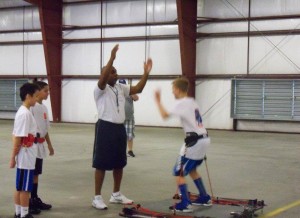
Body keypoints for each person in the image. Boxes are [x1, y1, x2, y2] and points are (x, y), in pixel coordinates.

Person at [92, 44, 153, 210]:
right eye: (112, 71)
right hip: (105, 127)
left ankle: (116, 194)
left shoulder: (121, 87)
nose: (116, 74)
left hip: (119, 128)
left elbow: (138, 88)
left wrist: (146, 74)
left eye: (116, 71)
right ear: (104, 74)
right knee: (101, 163)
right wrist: (112, 57)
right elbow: (104, 78)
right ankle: (97, 197)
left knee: (120, 162)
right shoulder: (100, 89)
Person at [154, 77, 211, 213]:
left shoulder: (182, 103)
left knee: (178, 171)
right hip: (203, 139)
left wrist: (157, 100)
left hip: (194, 142)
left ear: (178, 89)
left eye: (173, 89)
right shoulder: (192, 102)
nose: (172, 92)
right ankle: (204, 197)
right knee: (191, 169)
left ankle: (186, 203)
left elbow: (164, 115)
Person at [9, 82, 40, 218]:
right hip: (26, 155)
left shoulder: (24, 112)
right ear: (28, 96)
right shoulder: (24, 114)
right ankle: (24, 214)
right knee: (25, 188)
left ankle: (18, 212)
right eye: (36, 96)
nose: (37, 99)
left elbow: (15, 135)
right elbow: (17, 138)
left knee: (20, 186)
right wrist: (12, 158)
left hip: (26, 154)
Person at [29, 81, 54, 213]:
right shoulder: (32, 108)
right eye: (45, 90)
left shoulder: (44, 108)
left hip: (40, 145)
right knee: (31, 173)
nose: (48, 93)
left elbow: (45, 129)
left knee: (36, 174)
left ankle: (34, 198)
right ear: (38, 91)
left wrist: (49, 145)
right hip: (32, 146)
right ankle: (28, 202)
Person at [119, 79, 139, 157]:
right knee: (119, 136)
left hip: (129, 117)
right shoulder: (116, 93)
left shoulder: (130, 92)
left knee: (129, 135)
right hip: (119, 118)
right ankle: (120, 151)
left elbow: (136, 98)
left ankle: (130, 151)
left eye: (124, 85)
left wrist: (131, 92)